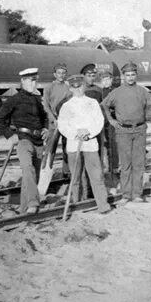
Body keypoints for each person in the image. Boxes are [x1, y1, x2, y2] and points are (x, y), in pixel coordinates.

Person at [0, 68, 49, 214]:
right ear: (23, 81)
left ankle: (24, 211)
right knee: (28, 169)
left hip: (38, 141)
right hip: (23, 140)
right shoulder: (14, 100)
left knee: (32, 176)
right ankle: (33, 203)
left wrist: (46, 129)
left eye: (35, 80)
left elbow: (44, 118)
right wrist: (9, 135)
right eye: (31, 80)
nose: (34, 83)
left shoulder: (37, 99)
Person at [101, 62, 151, 203]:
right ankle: (126, 194)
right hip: (123, 131)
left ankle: (137, 194)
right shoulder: (117, 92)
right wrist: (112, 121)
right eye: (127, 75)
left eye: (133, 75)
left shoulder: (143, 91)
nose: (130, 77)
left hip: (139, 130)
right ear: (123, 76)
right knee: (125, 164)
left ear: (136, 75)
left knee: (138, 164)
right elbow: (104, 105)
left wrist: (145, 118)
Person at [57, 75, 113, 214]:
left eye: (80, 86)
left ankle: (102, 204)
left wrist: (88, 132)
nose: (77, 89)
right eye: (74, 87)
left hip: (90, 144)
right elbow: (62, 126)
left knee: (96, 175)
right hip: (73, 144)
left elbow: (99, 121)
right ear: (70, 88)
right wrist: (77, 133)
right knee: (76, 176)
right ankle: (78, 203)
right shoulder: (66, 105)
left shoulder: (93, 103)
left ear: (84, 86)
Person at [42, 63, 72, 176]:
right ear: (55, 74)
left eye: (63, 73)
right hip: (53, 122)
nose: (61, 75)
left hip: (66, 122)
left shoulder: (68, 88)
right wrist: (53, 118)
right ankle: (46, 170)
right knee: (51, 148)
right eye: (59, 73)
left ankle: (66, 171)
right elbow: (45, 105)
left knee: (67, 147)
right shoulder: (49, 87)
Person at [101, 71, 119, 175]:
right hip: (102, 122)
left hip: (112, 121)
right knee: (104, 145)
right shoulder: (100, 92)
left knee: (113, 145)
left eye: (107, 79)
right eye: (104, 79)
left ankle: (114, 167)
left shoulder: (115, 91)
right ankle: (106, 167)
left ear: (111, 80)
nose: (106, 81)